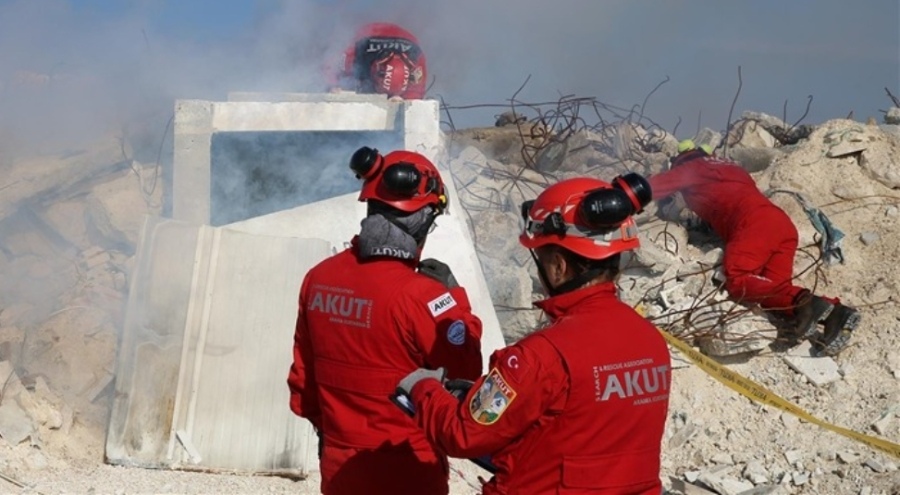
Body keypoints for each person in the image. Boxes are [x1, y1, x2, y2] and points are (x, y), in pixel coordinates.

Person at [394, 175, 672, 494]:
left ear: (558, 266)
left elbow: (462, 434)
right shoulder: (651, 341)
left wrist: (423, 388)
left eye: (540, 257)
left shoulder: (538, 357)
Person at [287, 146, 484, 495]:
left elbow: (303, 388)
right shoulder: (425, 296)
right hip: (410, 468)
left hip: (341, 468)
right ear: (422, 219)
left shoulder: (318, 278)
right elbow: (465, 375)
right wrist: (457, 304)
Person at [649, 140, 860, 357]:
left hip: (753, 224)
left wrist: (618, 193)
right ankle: (835, 312)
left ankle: (806, 302)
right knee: (774, 291)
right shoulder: (733, 168)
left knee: (738, 278)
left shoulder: (693, 167)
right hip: (781, 225)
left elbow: (652, 187)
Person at [327, 22, 427, 100]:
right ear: (375, 69)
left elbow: (415, 96)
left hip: (406, 38)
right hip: (371, 33)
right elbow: (330, 65)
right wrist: (333, 85)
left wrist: (403, 98)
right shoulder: (356, 52)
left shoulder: (417, 60)